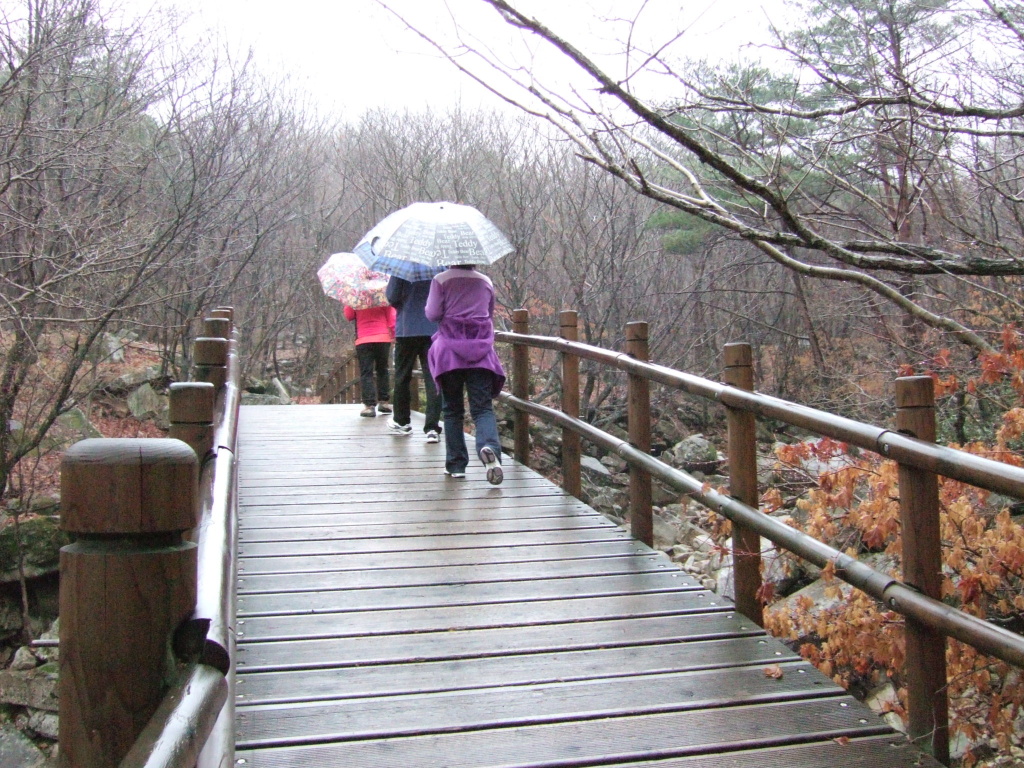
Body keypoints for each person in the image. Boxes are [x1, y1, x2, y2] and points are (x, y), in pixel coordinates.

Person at [425, 264, 505, 484]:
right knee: (482, 408)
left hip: (449, 353)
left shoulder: (441, 280)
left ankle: (456, 464)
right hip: (480, 352)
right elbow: (488, 315)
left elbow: (432, 314)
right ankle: (489, 448)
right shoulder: (485, 281)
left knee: (452, 410)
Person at [385, 275, 443, 442]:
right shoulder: (438, 269)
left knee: (402, 375)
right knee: (433, 377)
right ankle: (432, 427)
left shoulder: (402, 268)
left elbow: (392, 296)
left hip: (406, 326)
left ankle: (402, 421)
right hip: (433, 328)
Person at [343, 303, 396, 417]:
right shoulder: (382, 296)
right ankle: (384, 402)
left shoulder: (355, 298)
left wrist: (349, 303)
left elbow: (349, 315)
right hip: (382, 338)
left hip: (364, 339)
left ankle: (369, 405)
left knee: (366, 372)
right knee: (383, 370)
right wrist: (394, 334)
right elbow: (392, 318)